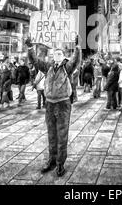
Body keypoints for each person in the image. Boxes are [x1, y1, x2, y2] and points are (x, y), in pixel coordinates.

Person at [26, 35, 82, 177]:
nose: (56, 55)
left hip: (63, 104)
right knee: (51, 134)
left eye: (59, 53)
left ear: (63, 57)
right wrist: (30, 48)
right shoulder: (48, 67)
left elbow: (76, 61)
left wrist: (77, 47)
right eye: (54, 54)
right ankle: (51, 160)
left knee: (62, 134)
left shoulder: (67, 67)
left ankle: (60, 164)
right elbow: (35, 61)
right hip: (50, 104)